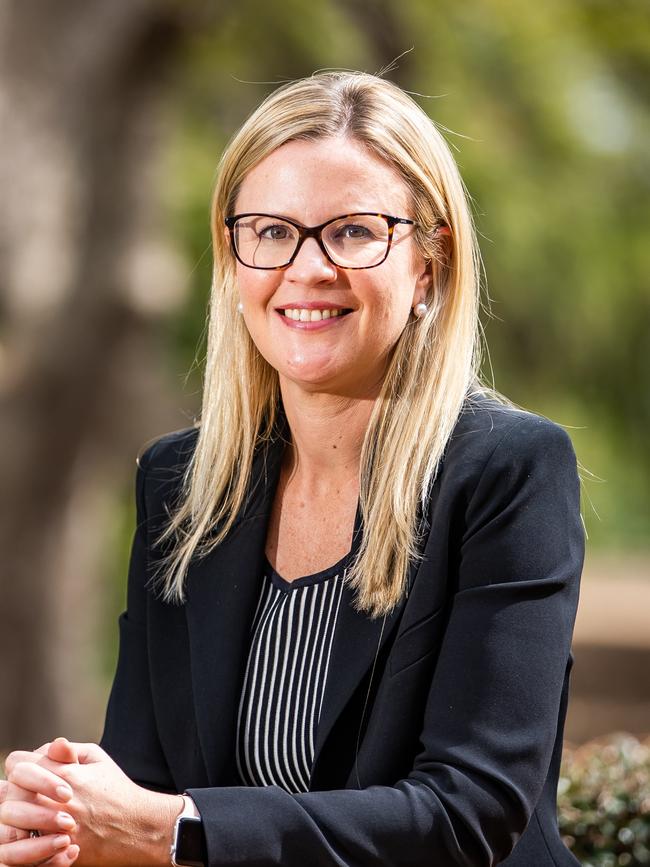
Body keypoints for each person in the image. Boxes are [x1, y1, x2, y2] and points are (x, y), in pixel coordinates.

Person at [0, 71, 584, 867]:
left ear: (428, 263)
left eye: (353, 231)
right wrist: (66, 814)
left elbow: (468, 813)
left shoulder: (508, 472)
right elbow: (143, 780)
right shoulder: (182, 485)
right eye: (272, 231)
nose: (307, 268)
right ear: (234, 259)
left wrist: (174, 829)